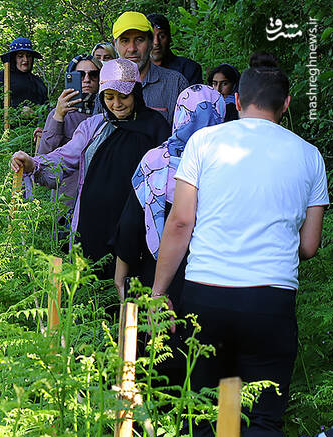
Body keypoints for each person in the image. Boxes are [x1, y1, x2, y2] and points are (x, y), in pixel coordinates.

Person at [151, 66, 328, 437]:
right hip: (270, 300)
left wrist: (158, 291)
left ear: (236, 101)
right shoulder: (309, 157)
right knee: (265, 419)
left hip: (205, 294)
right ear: (286, 105)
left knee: (204, 407)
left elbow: (180, 223)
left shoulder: (204, 144)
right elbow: (309, 245)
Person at [11, 59, 169, 272]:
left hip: (137, 225)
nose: (117, 104)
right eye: (109, 97)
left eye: (124, 96)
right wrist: (33, 163)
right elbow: (65, 157)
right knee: (92, 288)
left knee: (133, 289)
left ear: (136, 93)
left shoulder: (155, 127)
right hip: (91, 226)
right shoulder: (94, 127)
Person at [114, 84, 225, 304]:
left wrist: (120, 276)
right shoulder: (228, 164)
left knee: (158, 337)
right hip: (213, 279)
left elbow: (131, 224)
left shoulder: (155, 161)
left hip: (155, 275)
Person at [24, 55, 102, 206]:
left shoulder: (109, 111)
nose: (86, 79)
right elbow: (44, 157)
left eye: (93, 74)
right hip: (66, 201)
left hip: (98, 197)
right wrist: (58, 116)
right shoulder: (60, 112)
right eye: (79, 75)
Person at [111, 11, 189, 125]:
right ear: (115, 45)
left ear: (151, 42)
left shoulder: (175, 83)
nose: (132, 48)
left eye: (139, 40)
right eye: (125, 41)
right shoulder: (107, 83)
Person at [0, 37, 48, 113]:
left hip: (38, 124)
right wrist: (18, 112)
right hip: (10, 123)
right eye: (20, 56)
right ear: (14, 58)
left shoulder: (37, 81)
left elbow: (46, 108)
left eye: (28, 56)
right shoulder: (1, 78)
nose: (25, 60)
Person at [146, 13, 203, 85]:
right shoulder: (138, 71)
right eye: (151, 37)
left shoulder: (189, 69)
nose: (156, 42)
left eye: (162, 36)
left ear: (169, 38)